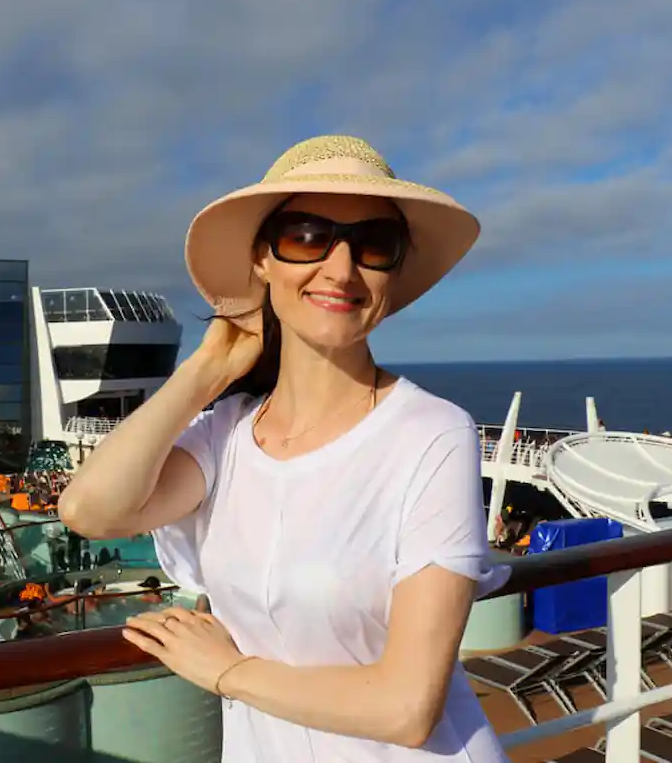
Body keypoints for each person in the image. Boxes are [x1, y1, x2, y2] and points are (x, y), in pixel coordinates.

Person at [59, 136, 508, 761]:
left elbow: (407, 708)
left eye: (374, 244)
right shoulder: (227, 435)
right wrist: (208, 367)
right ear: (262, 259)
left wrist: (228, 672)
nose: (342, 268)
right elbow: (90, 510)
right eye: (306, 235)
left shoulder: (431, 434)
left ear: (395, 272)